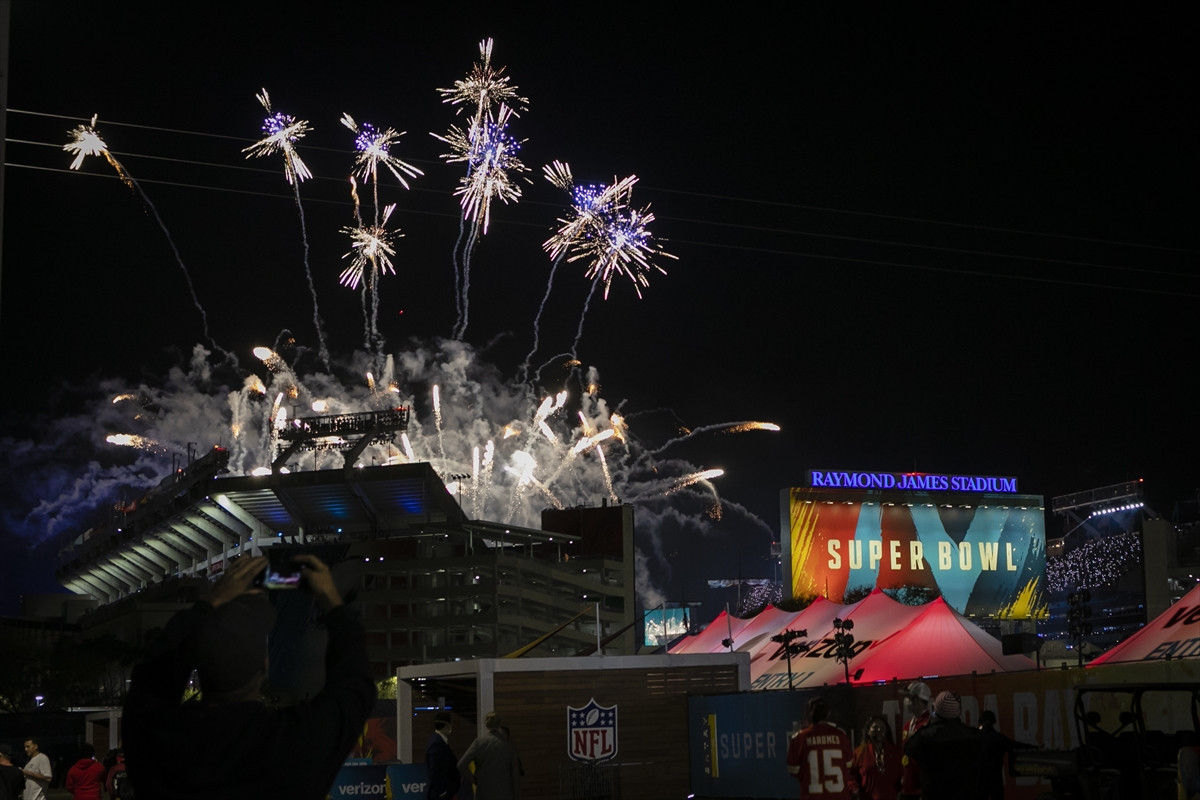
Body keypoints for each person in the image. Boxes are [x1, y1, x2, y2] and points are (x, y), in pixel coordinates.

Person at [123, 553, 376, 800]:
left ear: (198, 664)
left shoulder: (158, 741)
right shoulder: (295, 746)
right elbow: (355, 683)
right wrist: (332, 601)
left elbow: (150, 676)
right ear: (264, 665)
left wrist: (209, 603)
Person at [903, 691, 981, 800]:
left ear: (935, 710)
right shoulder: (973, 735)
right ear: (958, 711)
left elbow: (909, 749)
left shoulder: (926, 736)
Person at [786, 696, 856, 799]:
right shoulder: (841, 735)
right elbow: (848, 766)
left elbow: (793, 770)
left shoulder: (799, 738)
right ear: (828, 713)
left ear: (807, 714)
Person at [457, 711, 521, 800]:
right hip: (505, 792)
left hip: (484, 791)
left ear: (486, 725)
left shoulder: (478, 743)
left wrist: (475, 780)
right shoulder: (508, 745)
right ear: (499, 724)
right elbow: (515, 774)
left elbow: (461, 765)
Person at [976, 710, 1034, 800]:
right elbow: (1015, 745)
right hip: (995, 777)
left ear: (981, 721)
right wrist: (1034, 747)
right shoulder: (999, 738)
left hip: (980, 778)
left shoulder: (976, 738)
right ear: (993, 721)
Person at [850, 716, 901, 800]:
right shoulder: (859, 753)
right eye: (875, 727)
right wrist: (854, 789)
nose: (879, 730)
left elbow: (902, 777)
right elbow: (851, 776)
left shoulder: (895, 753)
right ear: (868, 731)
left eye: (882, 727)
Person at [898, 681, 932, 800]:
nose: (905, 701)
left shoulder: (929, 725)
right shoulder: (908, 725)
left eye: (908, 697)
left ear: (917, 700)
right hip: (907, 788)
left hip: (921, 792)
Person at [425, 711, 461, 800]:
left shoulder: (438, 741)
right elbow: (435, 771)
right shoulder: (437, 743)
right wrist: (443, 792)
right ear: (447, 725)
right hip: (441, 794)